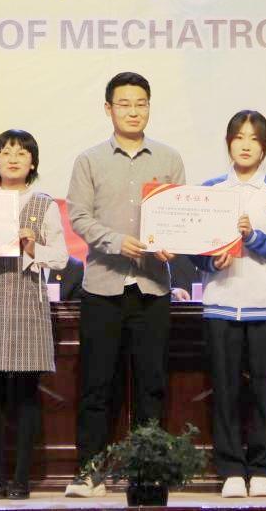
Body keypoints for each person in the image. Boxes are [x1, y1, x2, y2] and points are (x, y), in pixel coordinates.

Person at [65, 72, 185, 497]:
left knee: (152, 386)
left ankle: (148, 475)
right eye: (124, 104)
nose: (133, 112)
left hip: (153, 288)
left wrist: (172, 242)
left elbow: (179, 215)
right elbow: (79, 216)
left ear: (149, 107)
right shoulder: (89, 160)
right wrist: (116, 242)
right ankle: (90, 472)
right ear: (108, 109)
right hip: (103, 288)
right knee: (97, 385)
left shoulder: (169, 159)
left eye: (141, 103)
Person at [190, 110, 266, 498]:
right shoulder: (210, 191)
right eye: (239, 137)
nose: (246, 145)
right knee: (225, 390)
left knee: (265, 390)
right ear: (228, 144)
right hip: (221, 305)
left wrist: (252, 237)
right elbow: (196, 249)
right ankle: (231, 470)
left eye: (254, 138)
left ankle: (261, 469)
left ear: (265, 148)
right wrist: (211, 261)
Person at [0, 130, 70, 499]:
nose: (12, 159)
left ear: (32, 162)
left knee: (26, 394)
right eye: (5, 152)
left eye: (21, 153)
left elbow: (61, 258)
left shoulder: (44, 204)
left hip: (29, 306)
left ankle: (21, 479)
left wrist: (32, 246)